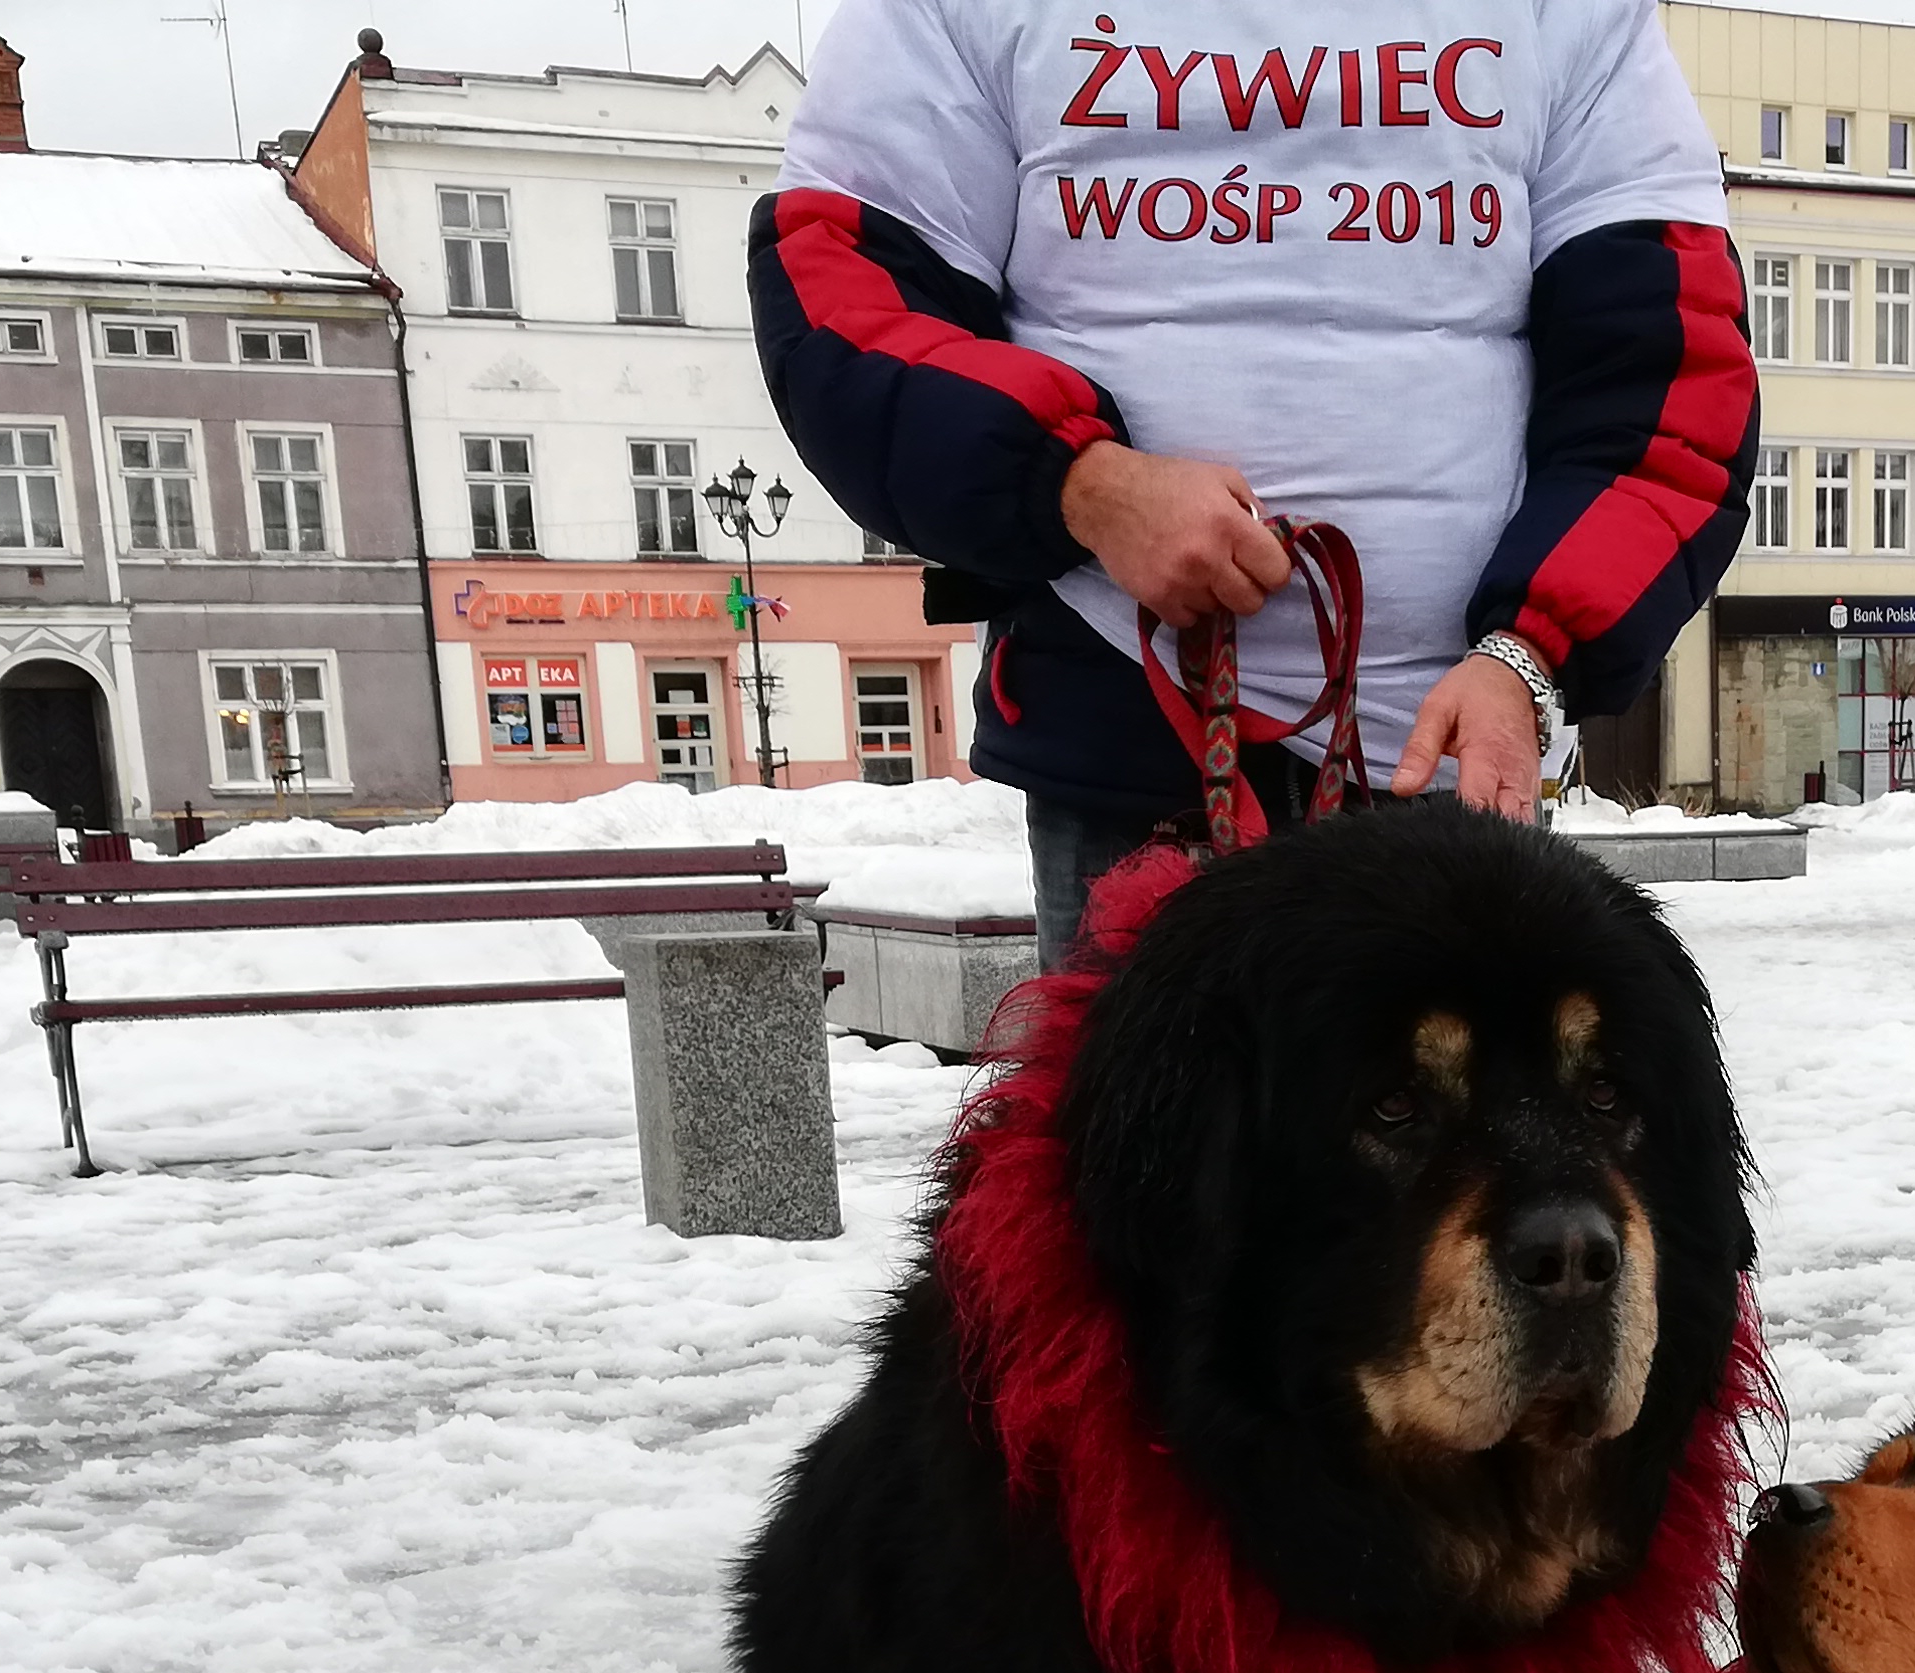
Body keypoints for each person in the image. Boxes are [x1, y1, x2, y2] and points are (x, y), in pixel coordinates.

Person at [753, 0, 1758, 965]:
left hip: (1456, 733)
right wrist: (1085, 486)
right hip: (1126, 715)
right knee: (1146, 1092)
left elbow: (1667, 375)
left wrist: (1533, 651)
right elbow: (847, 295)